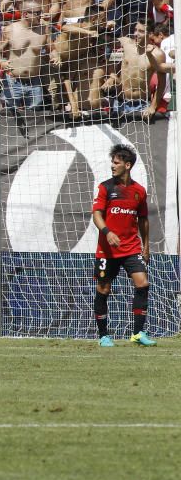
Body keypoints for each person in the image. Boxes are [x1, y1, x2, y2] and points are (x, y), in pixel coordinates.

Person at [92, 144, 155, 347]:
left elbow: (143, 220)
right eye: (112, 162)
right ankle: (103, 336)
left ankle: (138, 333)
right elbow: (96, 215)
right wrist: (107, 232)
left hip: (131, 248)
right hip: (107, 250)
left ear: (127, 165)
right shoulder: (105, 187)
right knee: (103, 289)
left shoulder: (139, 191)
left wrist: (146, 246)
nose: (112, 165)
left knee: (142, 283)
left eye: (116, 162)